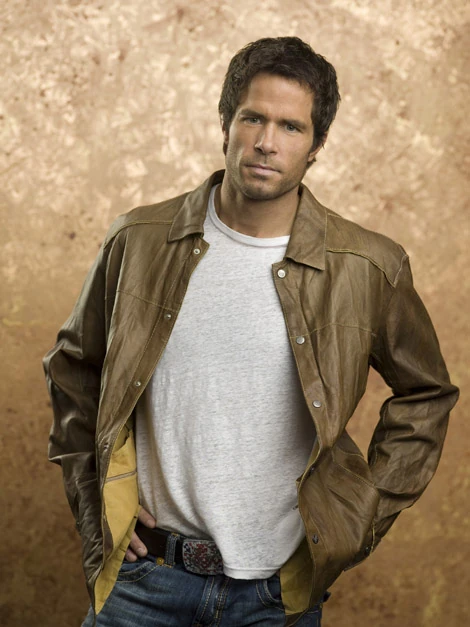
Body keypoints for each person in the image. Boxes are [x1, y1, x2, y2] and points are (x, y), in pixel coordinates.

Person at [43, 36, 459, 627]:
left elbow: (427, 394)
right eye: (253, 118)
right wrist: (97, 508)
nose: (267, 142)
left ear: (316, 145)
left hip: (276, 598)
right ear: (226, 122)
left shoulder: (367, 266)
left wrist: (358, 515)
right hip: (144, 581)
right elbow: (72, 369)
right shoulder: (138, 241)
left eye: (291, 127)